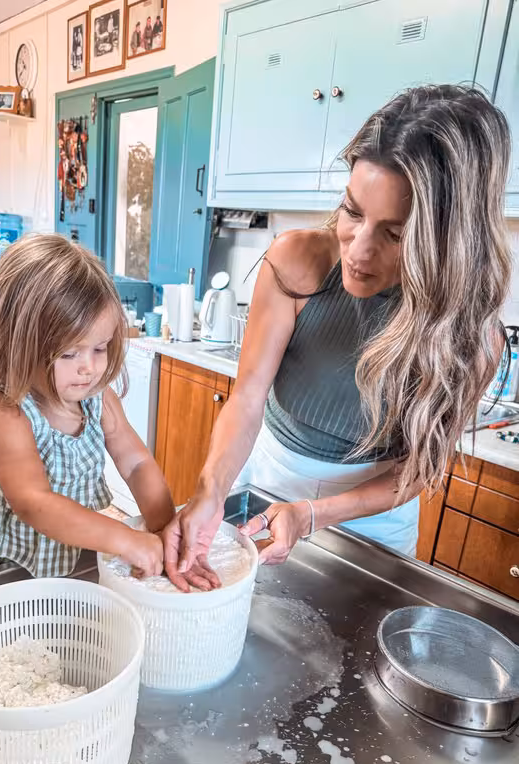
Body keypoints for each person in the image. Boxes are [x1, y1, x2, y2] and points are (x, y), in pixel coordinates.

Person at [162, 84, 511, 592]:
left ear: (445, 245)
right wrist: (210, 491)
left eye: (394, 234)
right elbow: (249, 395)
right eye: (352, 212)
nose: (359, 250)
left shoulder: (470, 337)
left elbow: (414, 470)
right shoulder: (297, 262)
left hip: (370, 520)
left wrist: (313, 513)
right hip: (266, 481)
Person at [0, 233, 175, 589]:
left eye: (100, 347)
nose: (89, 368)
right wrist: (127, 540)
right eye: (69, 354)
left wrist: (163, 528)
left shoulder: (97, 396)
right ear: (15, 344)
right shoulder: (2, 409)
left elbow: (136, 462)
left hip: (31, 549)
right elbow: (34, 502)